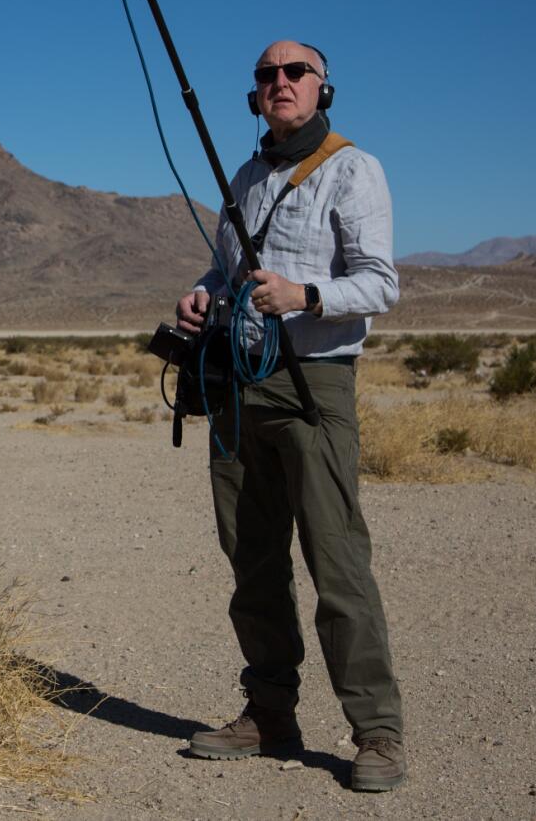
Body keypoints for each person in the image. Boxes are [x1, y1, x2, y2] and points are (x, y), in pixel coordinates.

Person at [175, 39, 405, 792]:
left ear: (323, 89)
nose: (280, 83)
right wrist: (206, 292)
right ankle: (270, 714)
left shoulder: (353, 169)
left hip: (315, 382)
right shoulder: (244, 176)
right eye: (267, 75)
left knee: (337, 562)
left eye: (295, 73)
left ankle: (375, 732)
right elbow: (226, 266)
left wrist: (304, 295)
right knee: (253, 559)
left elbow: (378, 284)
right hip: (239, 386)